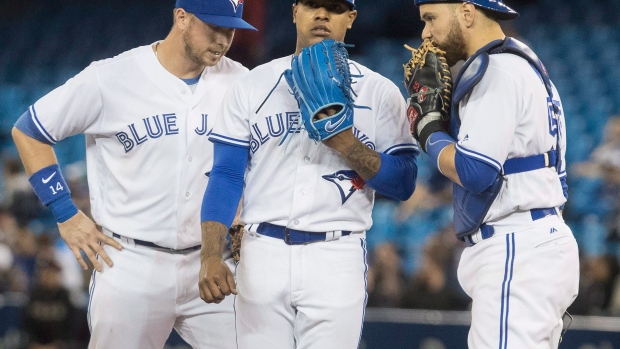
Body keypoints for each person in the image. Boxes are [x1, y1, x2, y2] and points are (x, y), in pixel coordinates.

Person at [11, 0, 256, 347]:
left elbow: (256, 162)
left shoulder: (242, 82)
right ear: (181, 18)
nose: (222, 39)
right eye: (213, 27)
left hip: (213, 260)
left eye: (230, 30)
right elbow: (29, 131)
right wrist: (65, 212)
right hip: (131, 262)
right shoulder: (111, 78)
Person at [197, 0, 419, 347]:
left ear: (351, 18)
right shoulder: (252, 85)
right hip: (261, 253)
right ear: (295, 11)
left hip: (336, 254)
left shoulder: (379, 92)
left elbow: (403, 182)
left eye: (333, 7)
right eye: (313, 5)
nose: (321, 15)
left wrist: (346, 143)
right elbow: (226, 174)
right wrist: (211, 253)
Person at [409, 1, 580, 348]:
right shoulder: (523, 63)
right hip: (535, 240)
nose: (425, 33)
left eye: (431, 18)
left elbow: (475, 173)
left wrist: (428, 130)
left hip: (516, 246)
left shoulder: (497, 72)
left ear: (467, 13)